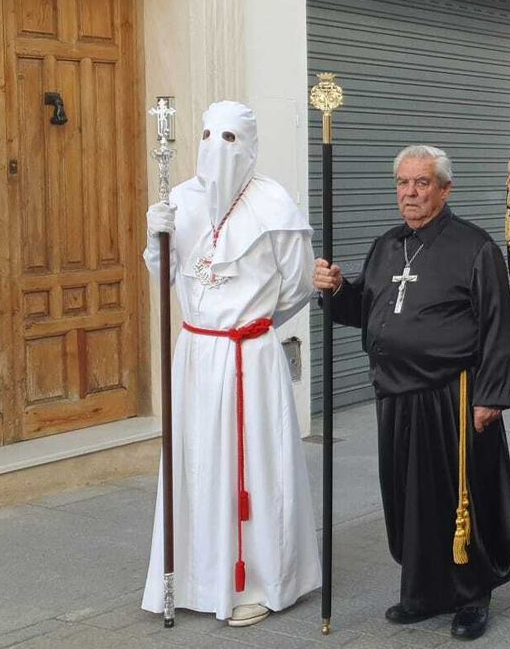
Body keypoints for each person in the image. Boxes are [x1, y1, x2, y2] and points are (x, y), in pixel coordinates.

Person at [312, 145, 510, 638]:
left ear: (445, 189)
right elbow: (365, 310)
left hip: (454, 395)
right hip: (396, 394)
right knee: (409, 496)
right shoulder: (387, 246)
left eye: (422, 183)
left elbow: (498, 324)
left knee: (460, 497)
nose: (410, 193)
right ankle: (423, 591)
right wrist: (336, 290)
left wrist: (490, 395)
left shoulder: (474, 247)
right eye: (403, 183)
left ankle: (471, 594)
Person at [142, 101, 319, 628]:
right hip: (196, 355)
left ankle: (261, 581)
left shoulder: (274, 204)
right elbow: (165, 276)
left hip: (250, 355)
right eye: (207, 135)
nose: (216, 148)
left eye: (229, 138)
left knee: (257, 466)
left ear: (249, 145)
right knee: (197, 463)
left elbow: (298, 286)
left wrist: (253, 324)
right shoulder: (179, 200)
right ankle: (195, 577)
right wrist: (156, 237)